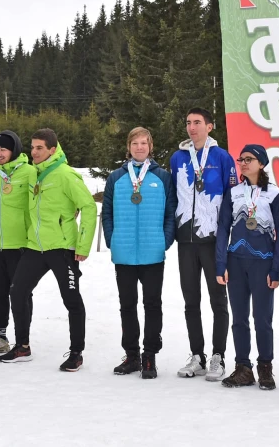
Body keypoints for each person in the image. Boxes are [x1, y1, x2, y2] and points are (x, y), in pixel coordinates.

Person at [0, 128, 97, 372]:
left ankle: (76, 353)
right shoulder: (34, 174)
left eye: (40, 148)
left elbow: (89, 207)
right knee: (18, 291)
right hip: (35, 246)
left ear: (53, 149)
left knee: (71, 300)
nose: (34, 152)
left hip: (62, 248)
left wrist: (82, 245)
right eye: (32, 147)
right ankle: (22, 346)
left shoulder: (66, 175)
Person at [102, 127, 176, 379]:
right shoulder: (116, 178)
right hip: (124, 253)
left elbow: (170, 213)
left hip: (152, 253)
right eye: (135, 143)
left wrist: (164, 241)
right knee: (127, 305)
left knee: (152, 305)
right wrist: (112, 239)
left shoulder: (163, 177)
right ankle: (132, 355)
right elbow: (108, 213)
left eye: (144, 143)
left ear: (151, 146)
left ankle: (149, 356)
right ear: (129, 146)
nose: (140, 147)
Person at [170, 107, 237, 380]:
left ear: (210, 127)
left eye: (197, 122)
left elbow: (232, 199)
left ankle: (218, 355)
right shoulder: (177, 158)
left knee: (218, 300)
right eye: (188, 123)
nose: (192, 127)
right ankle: (197, 355)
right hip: (186, 240)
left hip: (213, 241)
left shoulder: (222, 157)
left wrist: (227, 237)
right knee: (190, 301)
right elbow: (173, 197)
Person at [215, 144, 279, 390]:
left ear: (262, 164)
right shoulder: (234, 193)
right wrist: (220, 264)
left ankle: (265, 367)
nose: (243, 163)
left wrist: (276, 269)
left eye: (249, 159)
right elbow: (223, 228)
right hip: (236, 263)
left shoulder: (275, 194)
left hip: (262, 263)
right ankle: (243, 368)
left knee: (262, 319)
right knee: (239, 319)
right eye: (241, 159)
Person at [0, 130, 36, 356]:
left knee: (20, 293)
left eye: (3, 149)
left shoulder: (30, 172)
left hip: (20, 244)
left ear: (14, 150)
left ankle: (23, 340)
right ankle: (0, 336)